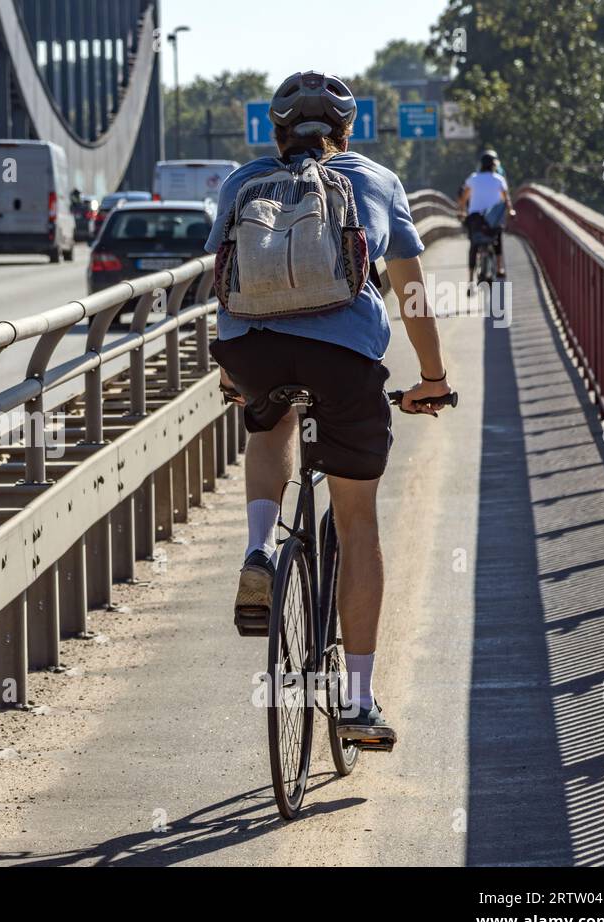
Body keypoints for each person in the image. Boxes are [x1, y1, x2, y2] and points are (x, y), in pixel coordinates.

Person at [206, 71, 455, 748]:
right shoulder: (375, 180)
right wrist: (431, 376)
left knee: (269, 420)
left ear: (275, 132)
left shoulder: (242, 180)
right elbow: (409, 298)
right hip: (343, 362)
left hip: (250, 346)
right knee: (356, 524)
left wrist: (237, 371)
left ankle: (259, 549)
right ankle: (359, 703)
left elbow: (220, 278)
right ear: (348, 131)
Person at [458, 149, 516, 282]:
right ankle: (500, 267)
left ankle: (470, 278)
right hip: (492, 220)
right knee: (497, 235)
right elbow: (506, 200)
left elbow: (463, 198)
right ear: (495, 165)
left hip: (475, 219)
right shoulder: (499, 179)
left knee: (473, 245)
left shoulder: (472, 178)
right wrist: (511, 211)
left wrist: (461, 211)